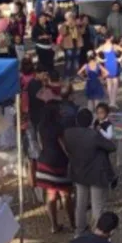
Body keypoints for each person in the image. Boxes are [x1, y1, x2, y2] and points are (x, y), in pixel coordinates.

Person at [64, 108, 117, 235]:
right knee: (97, 205)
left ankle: (79, 229)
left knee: (80, 204)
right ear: (90, 121)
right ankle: (97, 232)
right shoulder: (93, 135)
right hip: (96, 173)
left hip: (78, 171)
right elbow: (111, 147)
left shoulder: (68, 133)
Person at [35, 100, 75, 233]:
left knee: (51, 194)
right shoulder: (59, 127)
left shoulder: (40, 126)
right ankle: (73, 223)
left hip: (44, 162)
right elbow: (64, 146)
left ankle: (54, 225)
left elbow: (40, 144)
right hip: (59, 163)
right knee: (66, 194)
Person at [97, 35, 122, 108]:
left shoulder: (103, 46)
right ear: (110, 38)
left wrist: (101, 60)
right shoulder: (114, 46)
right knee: (115, 83)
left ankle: (111, 102)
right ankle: (113, 102)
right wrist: (120, 59)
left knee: (109, 84)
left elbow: (95, 53)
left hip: (107, 64)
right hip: (113, 64)